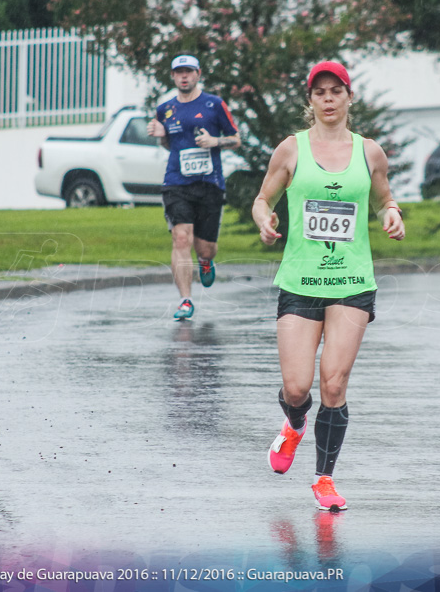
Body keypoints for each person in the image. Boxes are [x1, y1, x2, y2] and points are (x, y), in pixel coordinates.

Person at [252, 61, 405, 511]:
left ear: (349, 97)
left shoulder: (369, 152)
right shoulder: (291, 150)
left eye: (336, 91)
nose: (328, 99)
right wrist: (266, 221)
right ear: (311, 101)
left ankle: (324, 478)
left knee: (334, 385)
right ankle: (294, 423)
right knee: (298, 387)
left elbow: (383, 197)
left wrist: (391, 214)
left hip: (352, 281)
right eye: (319, 92)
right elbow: (263, 199)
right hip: (301, 280)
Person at [148, 54, 240, 321]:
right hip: (176, 182)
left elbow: (236, 140)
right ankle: (185, 300)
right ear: (174, 77)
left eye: (188, 71)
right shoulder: (164, 109)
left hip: (209, 184)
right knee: (181, 238)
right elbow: (169, 145)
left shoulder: (214, 104)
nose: (184, 76)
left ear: (198, 74)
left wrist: (215, 141)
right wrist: (162, 136)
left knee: (205, 247)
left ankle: (206, 261)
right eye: (179, 72)